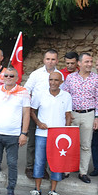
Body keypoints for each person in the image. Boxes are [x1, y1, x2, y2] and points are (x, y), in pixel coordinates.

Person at [0, 67, 30, 195]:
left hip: (13, 135)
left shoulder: (23, 92)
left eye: (12, 76)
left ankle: (11, 189)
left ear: (17, 78)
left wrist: (24, 133)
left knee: (12, 163)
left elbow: (26, 114)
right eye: (6, 76)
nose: (9, 78)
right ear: (3, 77)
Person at [29, 72, 72, 195]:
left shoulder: (66, 96)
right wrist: (38, 123)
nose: (53, 82)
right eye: (51, 80)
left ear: (61, 82)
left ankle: (53, 191)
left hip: (58, 136)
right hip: (42, 134)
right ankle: (37, 189)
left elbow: (68, 115)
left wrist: (66, 131)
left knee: (56, 163)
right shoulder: (40, 94)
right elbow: (32, 110)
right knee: (39, 161)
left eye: (56, 80)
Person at [62, 53, 98, 183]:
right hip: (73, 114)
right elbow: (65, 96)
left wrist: (97, 117)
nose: (90, 64)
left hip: (89, 114)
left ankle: (83, 172)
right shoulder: (70, 78)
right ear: (79, 63)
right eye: (87, 62)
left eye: (91, 61)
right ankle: (67, 170)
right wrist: (66, 114)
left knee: (86, 145)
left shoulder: (97, 79)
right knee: (70, 143)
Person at [23, 49, 62, 179]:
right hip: (37, 110)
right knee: (33, 140)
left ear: (57, 60)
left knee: (49, 141)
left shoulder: (59, 74)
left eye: (53, 59)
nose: (50, 62)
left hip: (53, 110)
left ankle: (42, 168)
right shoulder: (36, 74)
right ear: (44, 60)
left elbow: (63, 92)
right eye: (48, 59)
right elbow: (27, 89)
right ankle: (30, 167)